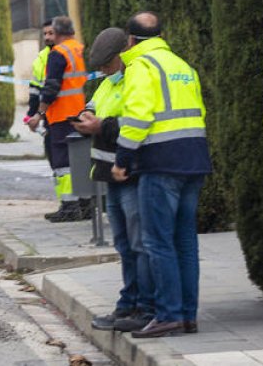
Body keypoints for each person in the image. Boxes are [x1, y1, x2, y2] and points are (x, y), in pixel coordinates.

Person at [112, 11, 209, 339]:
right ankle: (187, 316)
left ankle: (168, 315)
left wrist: (122, 159)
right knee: (185, 242)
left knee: (158, 241)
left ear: (130, 40)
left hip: (161, 163)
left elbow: (138, 116)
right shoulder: (182, 65)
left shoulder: (141, 66)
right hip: (194, 159)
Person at [75, 28, 155, 333]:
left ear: (122, 55)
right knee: (123, 243)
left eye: (106, 64)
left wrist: (101, 127)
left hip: (131, 171)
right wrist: (86, 115)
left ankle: (144, 306)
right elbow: (95, 104)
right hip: (111, 172)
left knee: (139, 242)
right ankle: (128, 303)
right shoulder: (110, 82)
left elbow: (137, 121)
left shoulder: (136, 77)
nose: (103, 71)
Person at [27, 16, 89, 222]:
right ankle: (86, 205)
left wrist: (39, 114)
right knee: (81, 159)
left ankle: (69, 206)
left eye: (51, 33)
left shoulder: (58, 53)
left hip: (62, 115)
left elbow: (52, 87)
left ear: (58, 33)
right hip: (84, 113)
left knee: (63, 164)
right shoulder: (81, 49)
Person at [25, 20, 55, 124]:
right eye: (45, 34)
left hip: (65, 114)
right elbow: (34, 89)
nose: (47, 37)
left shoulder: (65, 55)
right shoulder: (40, 58)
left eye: (51, 33)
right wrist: (31, 114)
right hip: (47, 116)